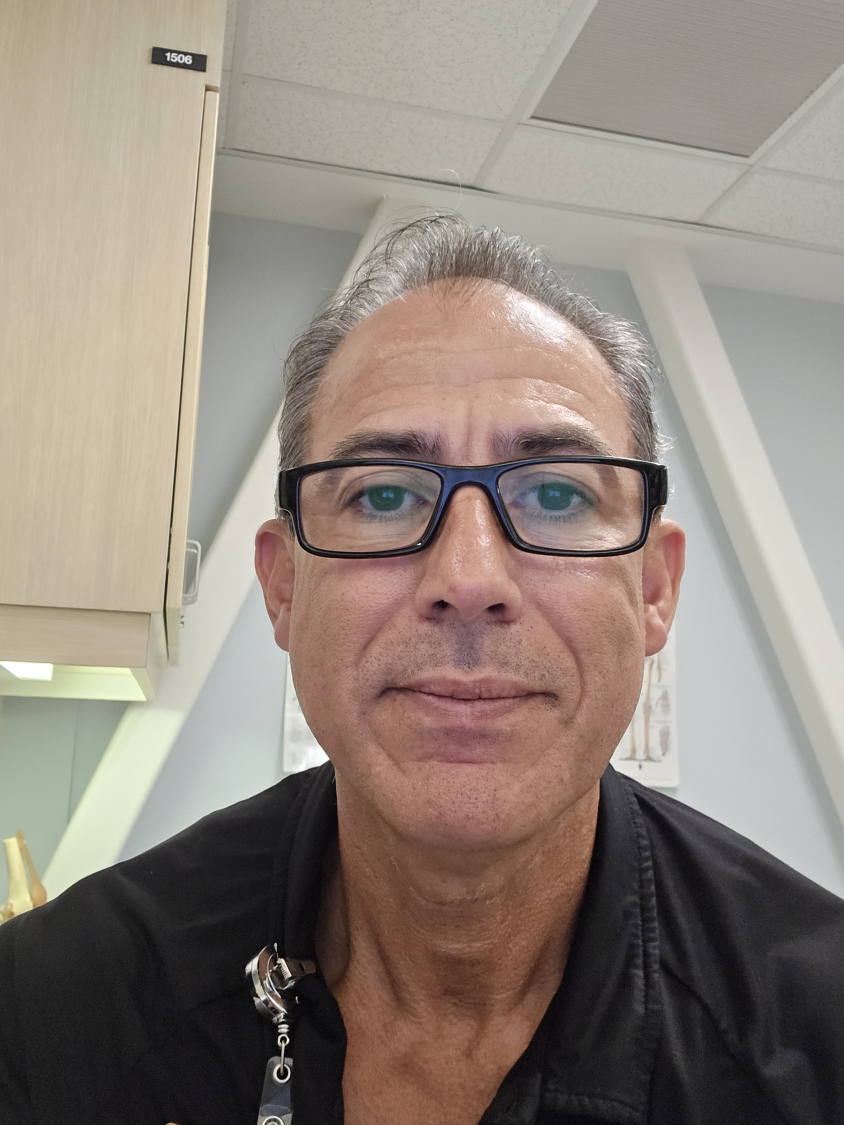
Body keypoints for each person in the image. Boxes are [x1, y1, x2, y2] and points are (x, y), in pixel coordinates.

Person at [1, 217, 842, 1125]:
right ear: (284, 587)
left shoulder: (817, 1041)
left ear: (652, 589)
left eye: (557, 493)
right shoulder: (56, 1012)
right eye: (384, 495)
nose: (469, 580)